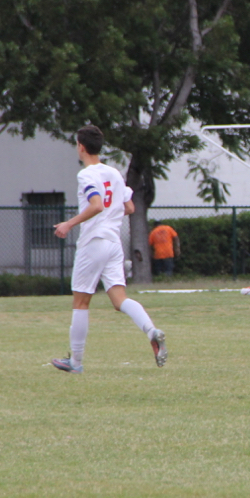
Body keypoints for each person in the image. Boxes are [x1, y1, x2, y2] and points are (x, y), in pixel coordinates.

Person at [51, 125, 167, 374]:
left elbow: (96, 205)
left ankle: (76, 363)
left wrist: (68, 224)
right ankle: (151, 331)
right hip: (113, 243)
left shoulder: (86, 175)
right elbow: (129, 207)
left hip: (94, 241)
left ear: (81, 146)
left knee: (81, 302)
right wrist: (111, 209)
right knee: (119, 299)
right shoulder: (114, 173)